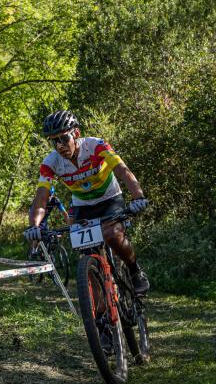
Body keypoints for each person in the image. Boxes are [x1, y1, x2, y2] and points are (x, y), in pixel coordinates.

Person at [23, 110, 150, 294]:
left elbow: (123, 171)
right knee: (87, 254)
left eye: (64, 138)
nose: (59, 146)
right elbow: (42, 196)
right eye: (54, 141)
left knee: (112, 234)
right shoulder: (50, 162)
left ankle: (134, 270)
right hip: (82, 206)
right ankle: (100, 314)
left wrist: (138, 197)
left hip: (109, 199)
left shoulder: (96, 146)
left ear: (76, 134)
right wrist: (34, 226)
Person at [27, 187, 70, 256]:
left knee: (51, 236)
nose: (48, 197)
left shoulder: (55, 200)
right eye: (47, 195)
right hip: (36, 219)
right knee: (37, 236)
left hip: (44, 221)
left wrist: (70, 225)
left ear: (52, 194)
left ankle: (48, 253)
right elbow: (31, 214)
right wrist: (34, 227)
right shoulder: (38, 200)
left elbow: (65, 213)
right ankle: (33, 251)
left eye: (50, 195)